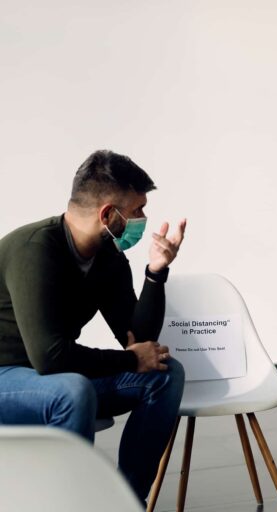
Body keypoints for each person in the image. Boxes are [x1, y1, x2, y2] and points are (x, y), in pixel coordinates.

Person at [0, 150, 187, 502]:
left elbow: (138, 340)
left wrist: (156, 272)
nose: (143, 219)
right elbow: (50, 358)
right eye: (136, 211)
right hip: (7, 377)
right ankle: (71, 505)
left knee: (165, 374)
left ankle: (128, 502)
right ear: (107, 214)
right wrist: (131, 361)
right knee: (72, 390)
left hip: (49, 379)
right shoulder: (35, 249)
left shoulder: (108, 260)